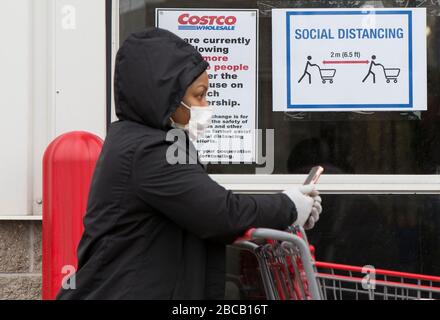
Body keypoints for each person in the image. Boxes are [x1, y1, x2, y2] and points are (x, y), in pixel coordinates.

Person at [56, 27, 322, 300]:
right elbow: (220, 213)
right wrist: (288, 206)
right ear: (165, 95)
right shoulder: (150, 150)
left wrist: (281, 213)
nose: (206, 105)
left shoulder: (141, 141)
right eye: (199, 95)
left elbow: (200, 209)